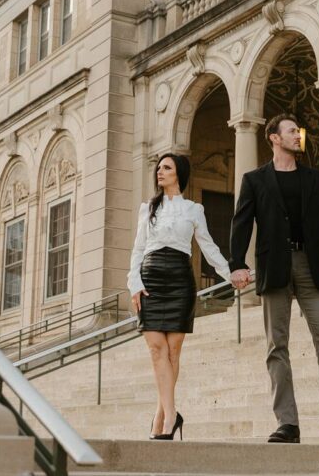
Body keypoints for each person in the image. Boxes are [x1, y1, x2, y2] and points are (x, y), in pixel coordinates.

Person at [228, 113, 319, 446]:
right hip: (274, 267)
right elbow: (241, 224)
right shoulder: (254, 180)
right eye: (290, 131)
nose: (297, 136)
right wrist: (237, 263)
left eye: (298, 132)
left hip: (312, 266)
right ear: (273, 138)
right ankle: (287, 423)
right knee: (277, 347)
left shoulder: (318, 179)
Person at [127, 153, 231, 441]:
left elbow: (208, 248)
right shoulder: (147, 209)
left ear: (179, 173)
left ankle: (162, 415)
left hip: (180, 280)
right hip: (150, 279)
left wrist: (230, 274)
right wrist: (134, 284)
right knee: (156, 349)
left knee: (173, 351)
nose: (160, 172)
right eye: (158, 168)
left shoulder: (193, 209)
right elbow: (138, 249)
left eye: (167, 168)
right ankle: (172, 415)